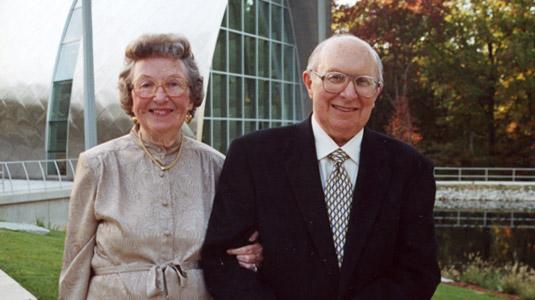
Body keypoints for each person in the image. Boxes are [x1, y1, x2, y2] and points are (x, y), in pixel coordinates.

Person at [201, 34, 441, 300]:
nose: (349, 94)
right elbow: (222, 262)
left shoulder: (410, 169)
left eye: (363, 82)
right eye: (335, 78)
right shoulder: (253, 157)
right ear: (309, 83)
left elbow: (419, 273)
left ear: (377, 92)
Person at [59, 33, 262, 300]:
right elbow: (75, 266)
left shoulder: (216, 166)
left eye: (174, 84)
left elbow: (240, 245)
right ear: (131, 98)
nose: (160, 96)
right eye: (146, 85)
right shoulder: (98, 165)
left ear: (191, 98)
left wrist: (255, 251)